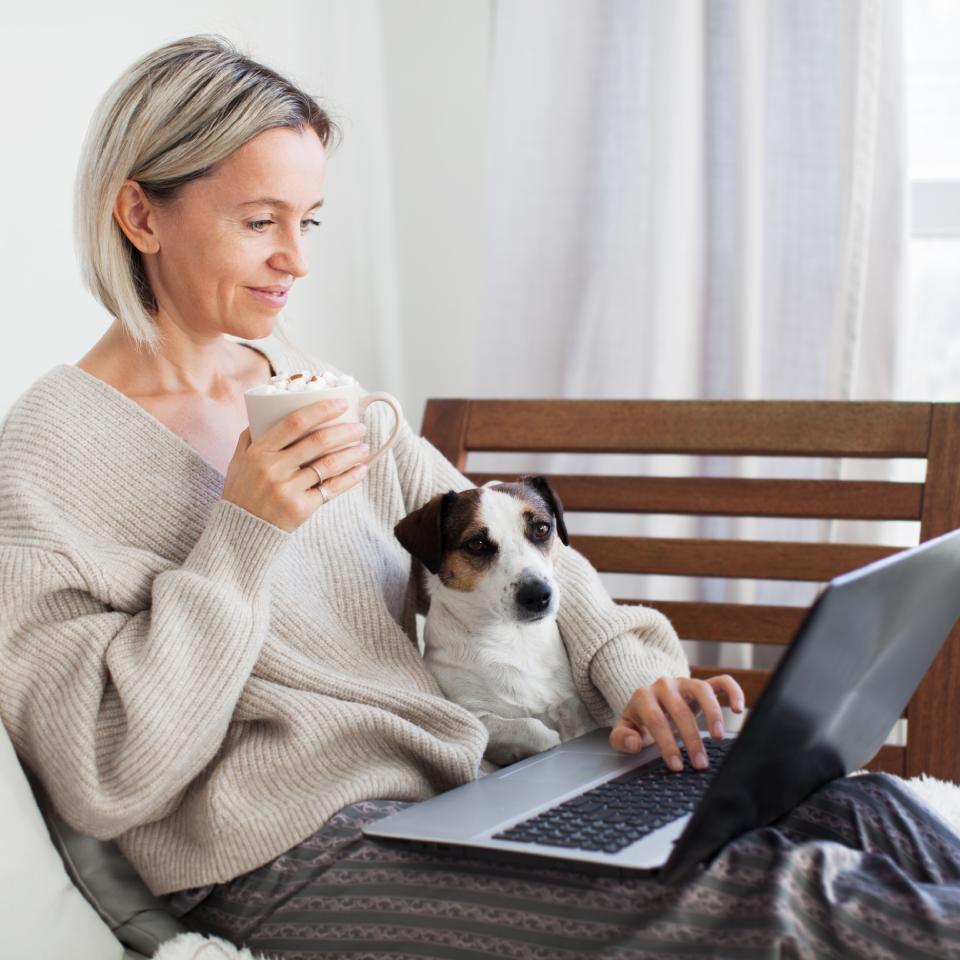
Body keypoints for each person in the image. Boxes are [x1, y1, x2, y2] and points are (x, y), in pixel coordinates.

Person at [1, 34, 958, 960]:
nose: (298, 257)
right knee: (791, 906)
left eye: (311, 220)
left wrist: (631, 673)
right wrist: (244, 531)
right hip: (292, 860)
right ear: (140, 215)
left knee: (861, 808)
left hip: (460, 799)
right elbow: (103, 775)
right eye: (261, 222)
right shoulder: (52, 459)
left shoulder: (316, 396)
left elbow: (520, 544)